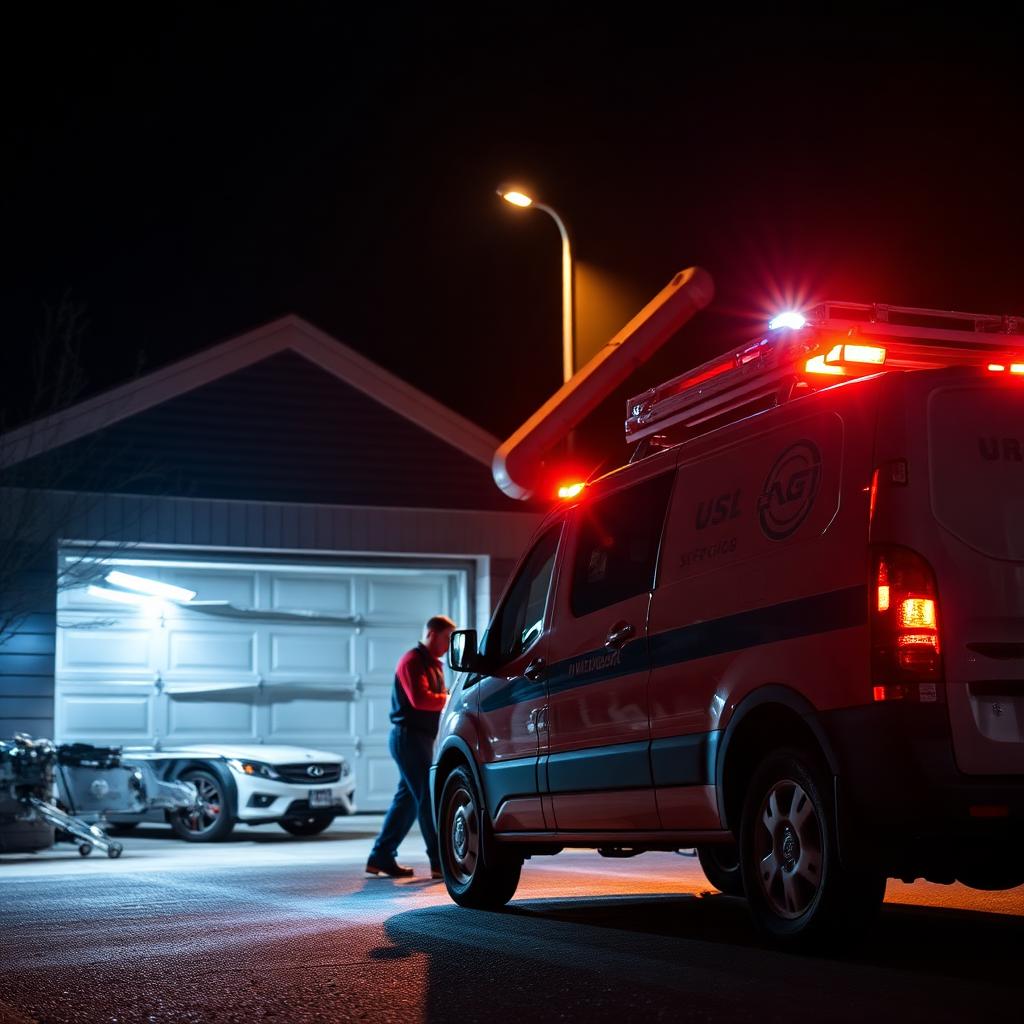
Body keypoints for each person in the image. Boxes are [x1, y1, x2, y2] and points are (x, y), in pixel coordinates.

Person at [365, 614, 455, 879]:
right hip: (408, 738)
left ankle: (380, 857)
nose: (448, 645)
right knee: (426, 798)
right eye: (447, 638)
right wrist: (448, 698)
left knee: (407, 800)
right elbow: (420, 700)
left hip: (419, 738)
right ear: (431, 633)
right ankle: (440, 863)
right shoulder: (412, 661)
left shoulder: (433, 665)